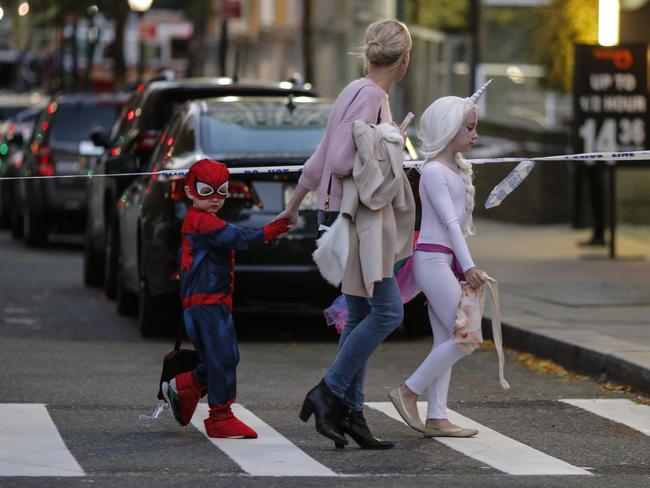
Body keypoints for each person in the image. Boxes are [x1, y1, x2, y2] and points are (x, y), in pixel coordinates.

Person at [277, 19, 414, 450]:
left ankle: (353, 416)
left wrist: (295, 202)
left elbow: (320, 157)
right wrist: (388, 139)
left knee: (358, 317)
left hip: (338, 214)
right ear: (404, 59)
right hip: (359, 221)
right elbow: (338, 157)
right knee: (389, 313)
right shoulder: (373, 96)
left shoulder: (354, 90)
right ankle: (329, 392)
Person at [388, 82, 492, 439]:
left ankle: (437, 416)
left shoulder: (453, 170)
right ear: (449, 130)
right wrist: (470, 266)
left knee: (448, 337)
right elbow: (449, 224)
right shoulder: (433, 171)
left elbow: (456, 228)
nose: (475, 134)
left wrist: (464, 265)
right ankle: (408, 391)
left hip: (441, 262)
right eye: (469, 127)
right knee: (467, 335)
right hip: (432, 261)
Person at [161, 159, 289, 438]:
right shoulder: (201, 222)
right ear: (191, 191)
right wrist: (271, 230)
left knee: (227, 357)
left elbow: (235, 238)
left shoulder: (205, 221)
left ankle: (185, 386)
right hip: (205, 305)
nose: (215, 199)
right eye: (207, 191)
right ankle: (220, 415)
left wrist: (269, 232)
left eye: (222, 191)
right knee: (221, 359)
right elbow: (238, 238)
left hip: (213, 303)